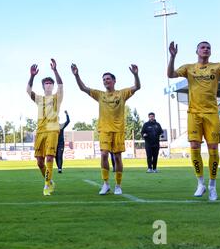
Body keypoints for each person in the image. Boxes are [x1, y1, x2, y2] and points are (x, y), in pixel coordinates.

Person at [168, 41, 220, 201]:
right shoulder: (188, 68)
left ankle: (212, 185)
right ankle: (200, 183)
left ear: (210, 52)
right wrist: (172, 57)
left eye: (208, 48)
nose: (206, 49)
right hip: (194, 113)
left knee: (213, 149)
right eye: (203, 47)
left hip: (212, 113)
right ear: (197, 51)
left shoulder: (217, 67)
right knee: (194, 146)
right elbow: (170, 74)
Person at [71, 63, 140, 195]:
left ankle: (118, 185)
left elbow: (137, 87)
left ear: (114, 81)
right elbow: (83, 88)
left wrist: (136, 74)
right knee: (103, 154)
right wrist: (76, 75)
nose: (105, 81)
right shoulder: (99, 94)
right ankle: (106, 183)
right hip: (104, 129)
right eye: (103, 79)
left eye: (108, 79)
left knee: (118, 158)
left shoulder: (122, 94)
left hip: (118, 130)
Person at [27, 59, 63, 196]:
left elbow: (61, 85)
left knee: (49, 158)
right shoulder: (39, 99)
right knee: (39, 162)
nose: (48, 85)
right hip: (40, 131)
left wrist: (55, 70)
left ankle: (47, 186)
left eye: (50, 83)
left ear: (52, 86)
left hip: (53, 129)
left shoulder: (57, 97)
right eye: (46, 83)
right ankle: (50, 181)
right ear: (43, 86)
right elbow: (28, 90)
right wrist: (32, 76)